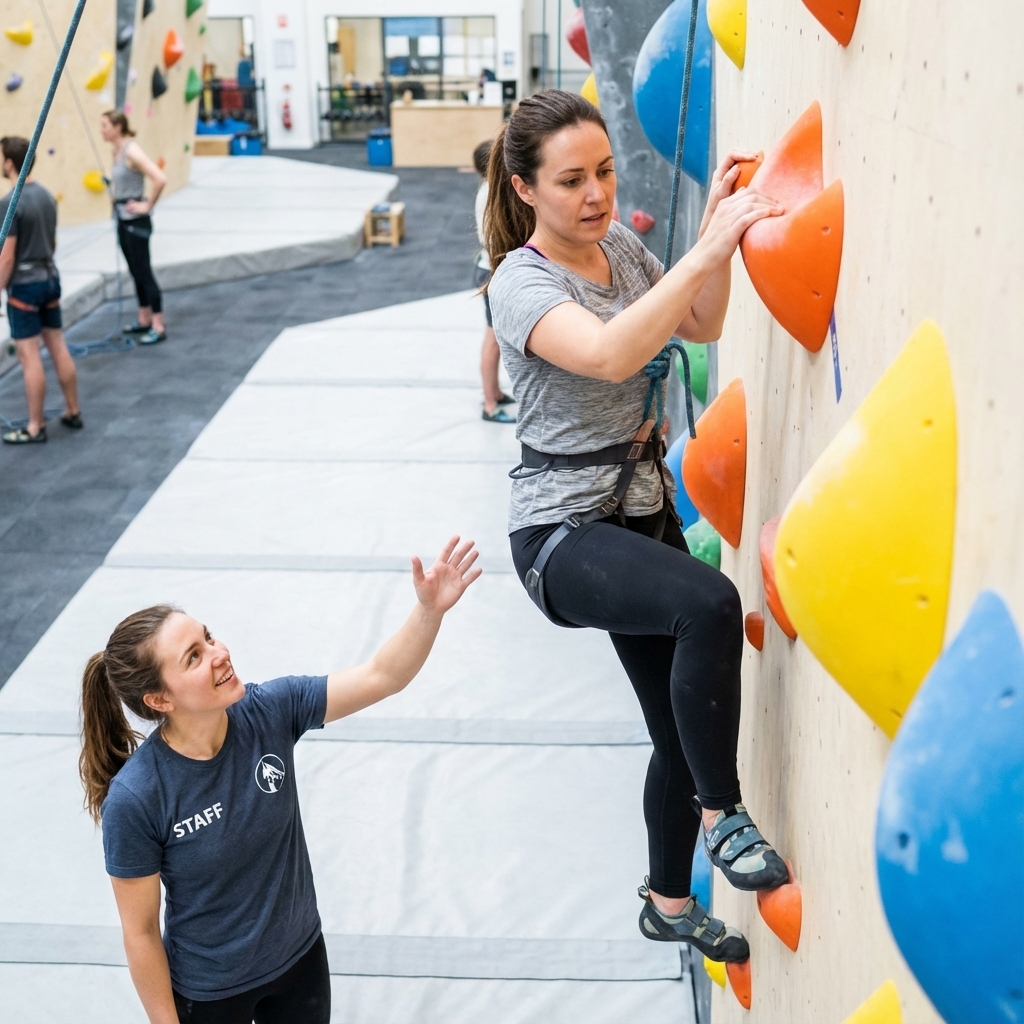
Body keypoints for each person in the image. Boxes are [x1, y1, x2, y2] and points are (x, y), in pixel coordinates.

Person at [485, 90, 789, 963]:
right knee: (710, 604)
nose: (597, 194)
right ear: (525, 190)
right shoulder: (521, 282)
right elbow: (612, 352)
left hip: (636, 511)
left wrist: (710, 237)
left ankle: (666, 900)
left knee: (673, 732)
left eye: (606, 171)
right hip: (561, 535)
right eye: (572, 179)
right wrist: (705, 245)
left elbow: (703, 321)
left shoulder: (618, 246)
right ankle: (724, 818)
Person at [80, 536, 480, 1023]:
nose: (219, 652)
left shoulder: (270, 711)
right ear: (159, 701)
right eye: (193, 657)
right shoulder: (138, 798)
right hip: (209, 994)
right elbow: (140, 932)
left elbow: (382, 675)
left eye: (208, 637)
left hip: (300, 962)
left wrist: (428, 612)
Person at [0, 136, 82, 444]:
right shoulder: (47, 196)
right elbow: (54, 242)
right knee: (57, 345)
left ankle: (35, 426)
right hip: (49, 278)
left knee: (28, 354)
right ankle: (73, 410)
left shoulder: (9, 203)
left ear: (10, 163)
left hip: (24, 286)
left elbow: (6, 257)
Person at [100, 110, 167, 345]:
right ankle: (144, 319)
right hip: (122, 219)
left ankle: (158, 325)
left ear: (118, 127)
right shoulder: (116, 151)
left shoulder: (132, 151)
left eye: (105, 126)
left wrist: (147, 205)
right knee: (135, 271)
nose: (102, 130)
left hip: (135, 222)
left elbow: (160, 178)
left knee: (144, 271)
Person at [472, 140, 514, 424]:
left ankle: (495, 393)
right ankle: (489, 403)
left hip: (488, 266)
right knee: (494, 340)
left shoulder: (488, 189)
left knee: (495, 339)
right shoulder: (491, 194)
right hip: (492, 270)